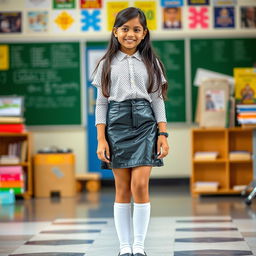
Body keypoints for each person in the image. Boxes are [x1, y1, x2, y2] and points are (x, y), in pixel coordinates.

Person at [91, 7, 169, 256]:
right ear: (115, 32)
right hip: (116, 124)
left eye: (136, 29)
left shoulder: (152, 62)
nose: (130, 34)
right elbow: (102, 103)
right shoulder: (105, 64)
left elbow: (157, 100)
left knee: (140, 184)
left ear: (144, 33)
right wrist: (101, 139)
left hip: (146, 124)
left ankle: (139, 246)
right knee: (122, 188)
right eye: (125, 29)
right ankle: (125, 247)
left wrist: (163, 134)